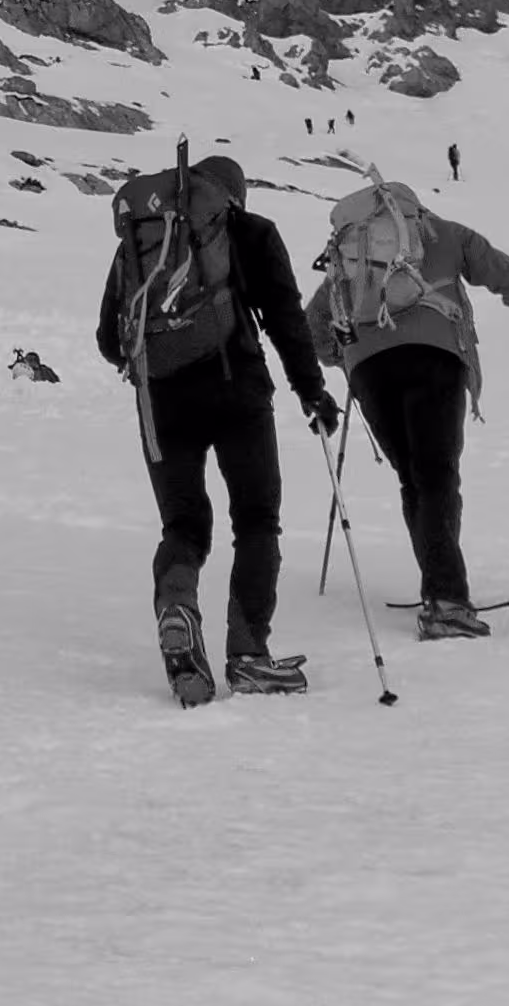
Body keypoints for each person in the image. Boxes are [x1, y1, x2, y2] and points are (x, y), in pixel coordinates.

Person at [93, 145, 331, 704]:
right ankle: (248, 657)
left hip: (162, 402)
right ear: (233, 197)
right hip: (237, 391)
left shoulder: (140, 240)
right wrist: (311, 392)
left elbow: (109, 338)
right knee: (255, 520)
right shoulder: (250, 230)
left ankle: (177, 606)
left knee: (183, 526)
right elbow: (286, 319)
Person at [308, 170, 509, 639]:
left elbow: (315, 319)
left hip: (371, 370)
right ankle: (446, 600)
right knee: (436, 474)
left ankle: (439, 587)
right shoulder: (446, 235)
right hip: (435, 357)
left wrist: (341, 357)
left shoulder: (349, 256)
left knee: (414, 478)